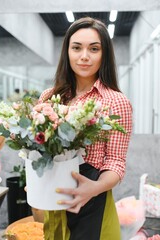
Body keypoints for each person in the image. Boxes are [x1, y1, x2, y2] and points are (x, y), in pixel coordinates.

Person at [38, 17, 133, 239]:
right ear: (67, 52)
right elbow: (38, 146)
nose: (84, 56)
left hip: (94, 201)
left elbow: (116, 162)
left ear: (104, 54)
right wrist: (36, 178)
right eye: (76, 47)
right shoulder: (50, 97)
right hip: (55, 198)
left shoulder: (116, 101)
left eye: (94, 49)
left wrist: (94, 188)